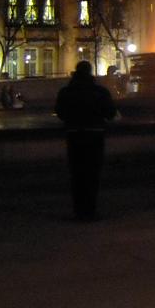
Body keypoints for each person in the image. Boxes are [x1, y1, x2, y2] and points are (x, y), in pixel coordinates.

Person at [54, 61, 117, 220]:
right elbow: (110, 113)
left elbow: (60, 112)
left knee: (77, 174)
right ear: (90, 72)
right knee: (92, 174)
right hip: (95, 135)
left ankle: (78, 211)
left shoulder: (66, 92)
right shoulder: (100, 92)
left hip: (74, 135)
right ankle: (90, 210)